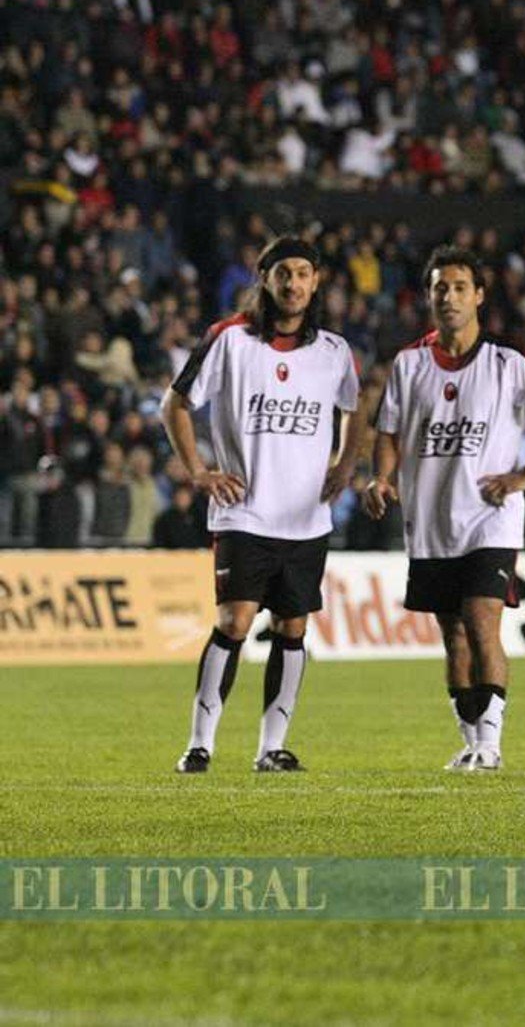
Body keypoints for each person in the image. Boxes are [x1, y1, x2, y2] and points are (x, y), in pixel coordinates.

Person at [364, 246, 525, 772]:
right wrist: (381, 477)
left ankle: (491, 744)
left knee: (482, 621)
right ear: (429, 296)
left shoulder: (509, 362)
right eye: (441, 287)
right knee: (453, 634)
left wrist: (524, 475)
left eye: (460, 287)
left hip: (491, 519)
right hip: (432, 524)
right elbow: (388, 433)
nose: (450, 297)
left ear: (479, 296)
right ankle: (469, 741)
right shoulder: (409, 364)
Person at [162, 236, 362, 774]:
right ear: (265, 280)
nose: (293, 284)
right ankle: (199, 743)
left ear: (315, 281)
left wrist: (345, 463)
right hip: (244, 512)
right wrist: (199, 471)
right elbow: (174, 405)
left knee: (292, 628)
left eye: (302, 273)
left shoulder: (334, 352)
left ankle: (271, 747)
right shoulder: (229, 340)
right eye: (283, 274)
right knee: (235, 619)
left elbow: (353, 409)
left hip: (305, 519)